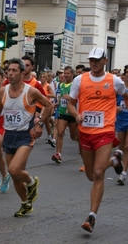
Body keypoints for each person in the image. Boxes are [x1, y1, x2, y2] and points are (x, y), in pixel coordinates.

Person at [67, 47, 126, 233]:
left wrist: (123, 107)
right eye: (91, 60)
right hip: (85, 132)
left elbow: (125, 94)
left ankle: (91, 216)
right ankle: (115, 160)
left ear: (105, 61)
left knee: (99, 173)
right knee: (91, 175)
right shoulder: (80, 80)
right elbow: (70, 102)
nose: (93, 63)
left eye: (97, 60)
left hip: (105, 131)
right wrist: (76, 114)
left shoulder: (114, 80)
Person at [0, 58, 53, 218]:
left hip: (25, 135)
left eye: (14, 70)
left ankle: (32, 182)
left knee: (13, 170)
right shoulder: (3, 91)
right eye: (8, 70)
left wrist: (39, 125)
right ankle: (26, 204)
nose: (10, 73)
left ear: (22, 72)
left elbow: (49, 105)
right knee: (16, 175)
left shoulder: (30, 91)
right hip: (9, 135)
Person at [51, 66, 79, 163]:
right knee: (60, 132)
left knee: (74, 137)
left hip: (72, 114)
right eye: (65, 73)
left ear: (72, 74)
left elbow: (79, 99)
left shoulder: (74, 85)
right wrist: (57, 104)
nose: (66, 75)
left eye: (68, 73)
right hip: (62, 112)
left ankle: (83, 144)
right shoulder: (61, 85)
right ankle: (58, 154)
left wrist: (70, 99)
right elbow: (60, 97)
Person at [116, 66, 128, 185]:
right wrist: (116, 108)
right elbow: (113, 102)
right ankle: (120, 164)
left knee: (127, 146)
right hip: (120, 120)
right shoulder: (120, 88)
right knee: (120, 148)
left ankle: (123, 173)